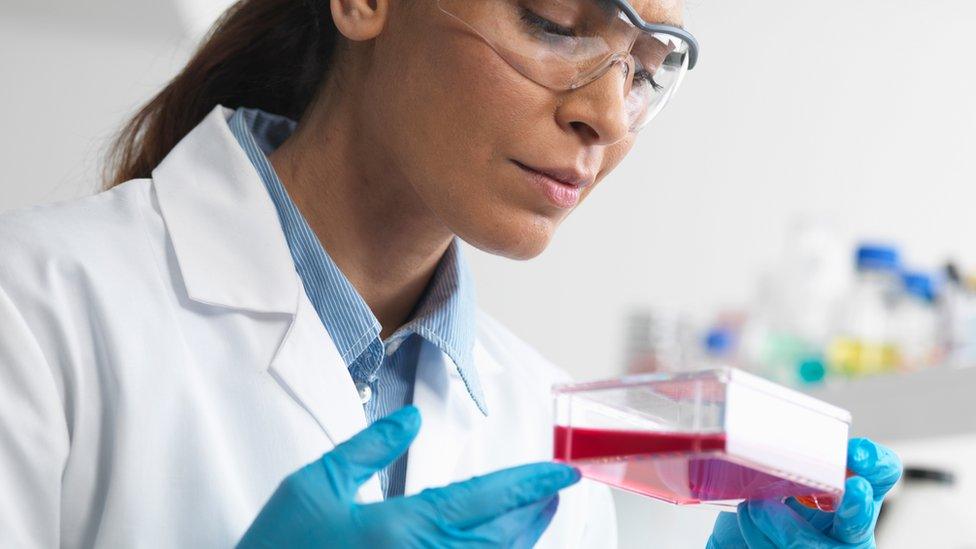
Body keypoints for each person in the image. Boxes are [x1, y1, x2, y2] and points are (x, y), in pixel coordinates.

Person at [0, 0, 899, 547]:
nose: (606, 117)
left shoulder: (547, 433)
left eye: (648, 69)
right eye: (553, 20)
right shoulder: (37, 309)